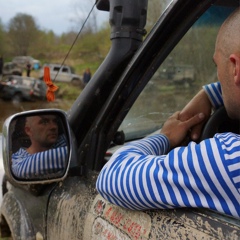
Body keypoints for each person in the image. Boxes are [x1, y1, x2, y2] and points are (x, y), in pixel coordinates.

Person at [96, 8, 240, 218]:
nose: (217, 77)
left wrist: (164, 137)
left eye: (217, 65)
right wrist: (209, 94)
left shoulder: (230, 159)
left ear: (235, 68)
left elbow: (112, 175)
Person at [12, 115, 68, 179]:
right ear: (28, 130)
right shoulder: (18, 160)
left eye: (55, 121)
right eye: (44, 122)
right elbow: (22, 170)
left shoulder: (63, 140)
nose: (54, 127)